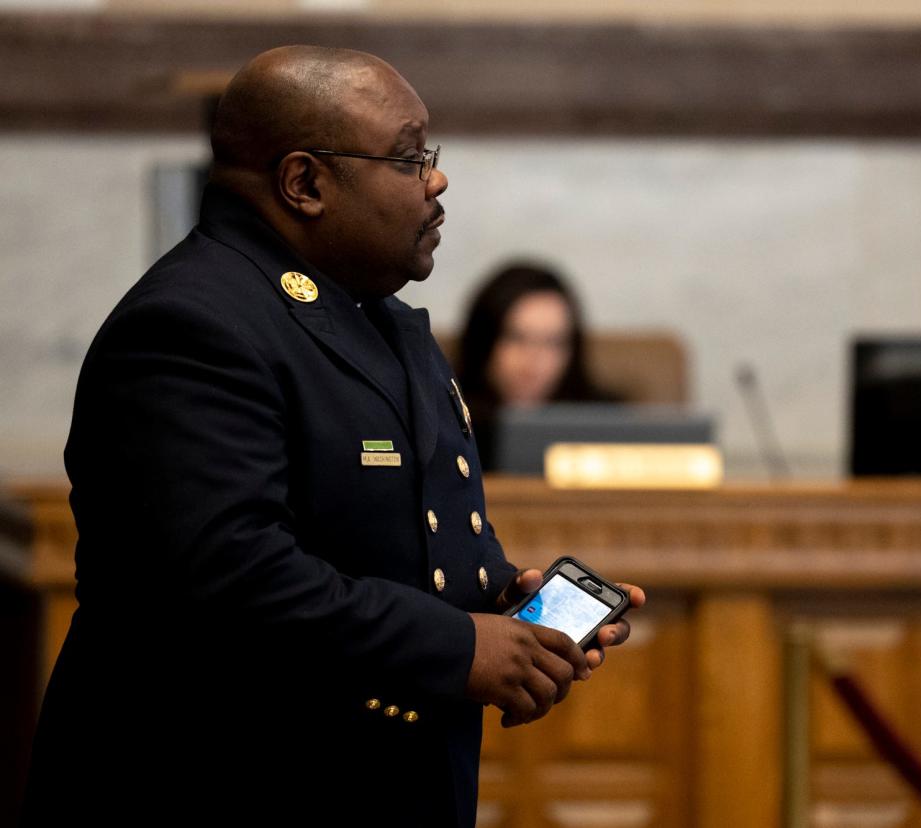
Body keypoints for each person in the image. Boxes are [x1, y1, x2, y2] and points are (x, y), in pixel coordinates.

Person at [20, 46, 643, 827]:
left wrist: (503, 606)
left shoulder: (375, 316)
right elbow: (229, 578)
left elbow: (387, 528)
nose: (437, 180)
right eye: (410, 155)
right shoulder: (192, 325)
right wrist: (461, 647)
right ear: (305, 183)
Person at [456, 262, 619, 469]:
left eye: (552, 342)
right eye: (517, 337)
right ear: (484, 341)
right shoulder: (442, 422)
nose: (534, 360)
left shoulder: (604, 425)